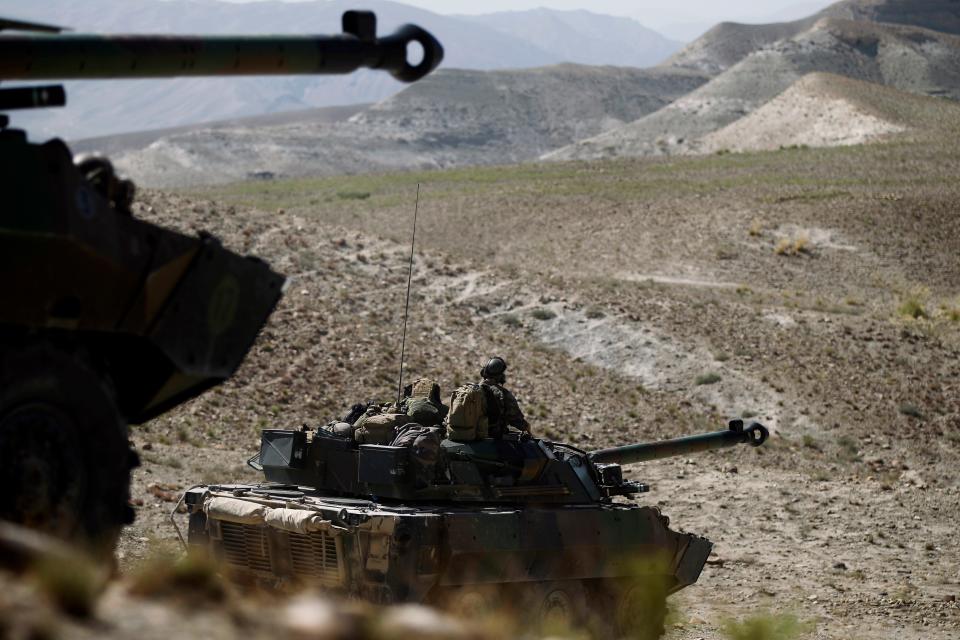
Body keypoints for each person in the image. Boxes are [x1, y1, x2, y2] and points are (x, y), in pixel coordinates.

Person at [478, 357, 530, 438]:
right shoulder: (503, 394)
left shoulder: (473, 390)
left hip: (471, 435)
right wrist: (527, 427)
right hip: (492, 439)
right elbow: (517, 421)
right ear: (500, 376)